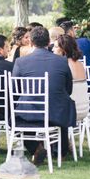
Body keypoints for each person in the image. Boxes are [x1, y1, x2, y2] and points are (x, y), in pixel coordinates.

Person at [12, 26, 76, 163]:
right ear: (48, 42)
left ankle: (36, 147)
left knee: (17, 119)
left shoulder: (20, 62)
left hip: (29, 113)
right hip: (56, 113)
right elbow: (68, 89)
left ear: (30, 43)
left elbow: (15, 90)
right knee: (62, 106)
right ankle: (60, 151)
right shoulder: (62, 61)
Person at [54, 34, 90, 121]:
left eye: (55, 47)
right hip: (84, 108)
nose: (52, 49)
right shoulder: (79, 63)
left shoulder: (63, 65)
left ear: (63, 49)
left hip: (71, 111)